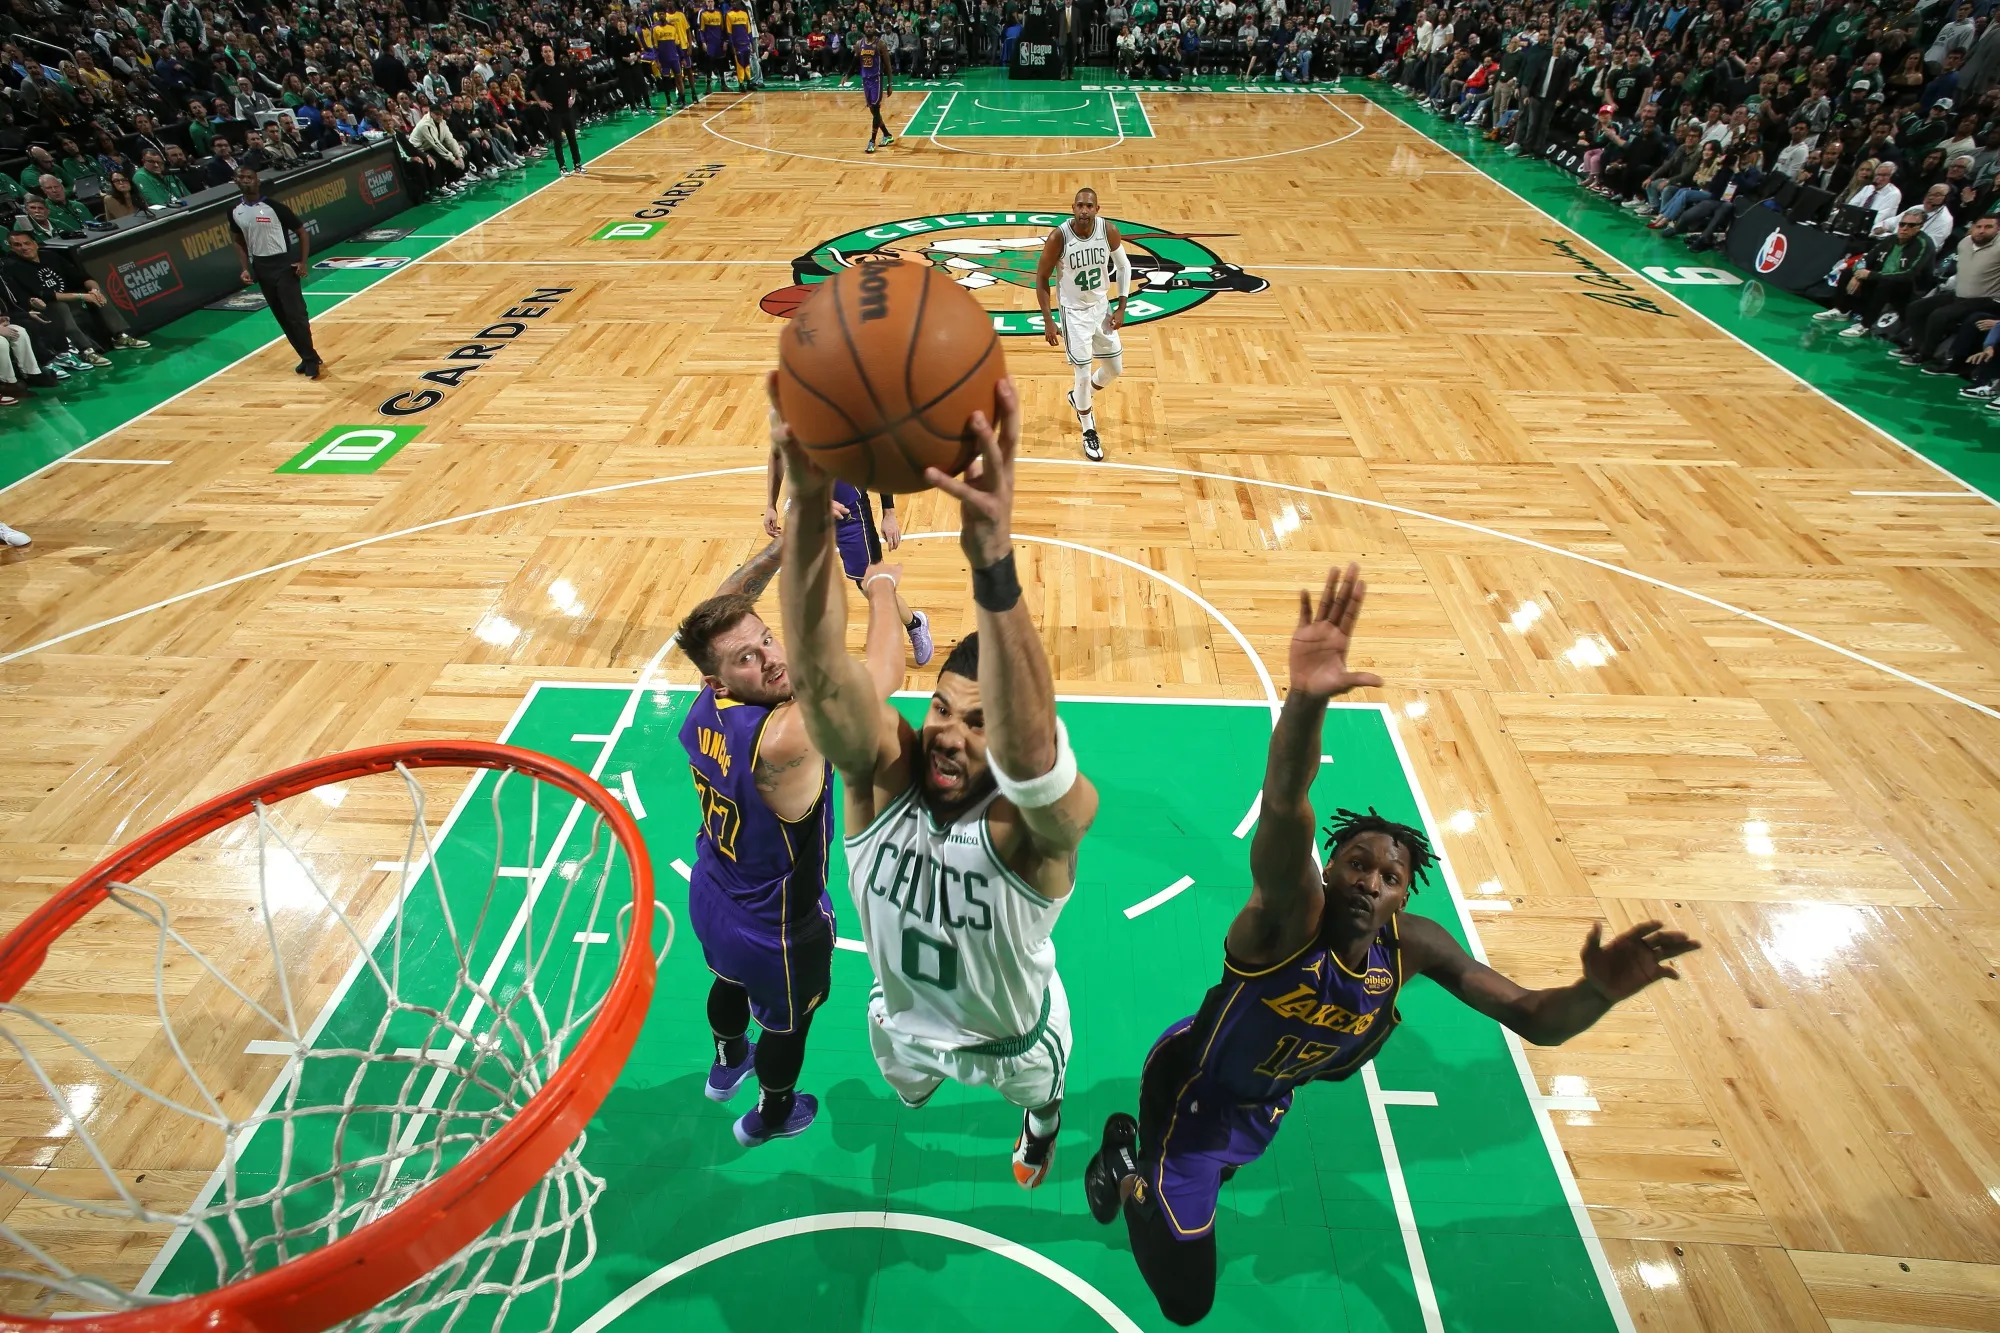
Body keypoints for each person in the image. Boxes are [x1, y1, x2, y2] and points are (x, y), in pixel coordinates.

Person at [1082, 563, 1701, 1328]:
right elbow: (1284, 802)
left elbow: (1535, 1016)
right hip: (1192, 1093)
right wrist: (1306, 702)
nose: (1372, 879)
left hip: (1261, 1103)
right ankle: (1127, 1162)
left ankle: (1172, 1177)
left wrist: (1597, 993)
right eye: (1357, 863)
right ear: (1330, 870)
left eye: (1391, 873)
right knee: (1186, 1301)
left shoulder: (1412, 948)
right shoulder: (1285, 917)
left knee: (1224, 1180)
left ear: (1405, 893)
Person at [776, 371, 1099, 1191]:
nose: (951, 733)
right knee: (908, 1093)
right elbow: (821, 681)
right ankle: (920, 1087)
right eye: (944, 708)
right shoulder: (885, 776)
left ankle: (1039, 1124)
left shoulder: (1035, 836)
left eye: (980, 719)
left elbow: (1037, 767)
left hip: (1017, 1041)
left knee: (1043, 1099)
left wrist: (994, 564)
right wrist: (810, 516)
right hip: (903, 1026)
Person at [671, 529, 904, 1147]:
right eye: (747, 659)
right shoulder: (786, 736)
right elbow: (884, 672)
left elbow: (720, 615)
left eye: (766, 639)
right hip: (777, 928)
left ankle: (725, 1063)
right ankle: (770, 1116)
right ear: (722, 678)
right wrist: (881, 586)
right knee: (788, 1027)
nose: (770, 657)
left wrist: (779, 550)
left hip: (714, 890)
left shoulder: (709, 699)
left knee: (725, 982)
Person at [764, 445, 933, 666]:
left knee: (871, 586)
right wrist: (771, 505)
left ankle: (914, 624)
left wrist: (889, 513)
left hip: (850, 514)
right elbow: (778, 455)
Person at [1035, 187, 1129, 464]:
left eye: (1089, 206)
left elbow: (1123, 267)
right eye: (1079, 205)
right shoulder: (1059, 237)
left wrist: (1122, 306)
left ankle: (1080, 399)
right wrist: (1049, 320)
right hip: (1074, 314)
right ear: (1072, 208)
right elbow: (1041, 278)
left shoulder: (1108, 231)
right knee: (1083, 373)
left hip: (1101, 308)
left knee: (1114, 368)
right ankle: (1089, 429)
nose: (1084, 210)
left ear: (1097, 209)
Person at [227, 166, 321, 379]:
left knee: (296, 314)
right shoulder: (234, 210)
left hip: (283, 265)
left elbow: (301, 232)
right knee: (282, 316)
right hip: (261, 266)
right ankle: (308, 356)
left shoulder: (275, 207)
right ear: (236, 181)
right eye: (241, 177)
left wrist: (303, 262)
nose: (246, 180)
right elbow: (238, 241)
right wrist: (245, 267)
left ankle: (310, 358)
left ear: (257, 181)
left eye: (250, 176)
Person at [4, 229, 148, 362]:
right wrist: (82, 296)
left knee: (97, 292)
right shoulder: (15, 266)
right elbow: (46, 295)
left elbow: (82, 277)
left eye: (27, 243)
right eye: (17, 245)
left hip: (71, 297)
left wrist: (94, 291)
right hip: (45, 306)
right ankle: (86, 350)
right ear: (11, 248)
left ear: (35, 244)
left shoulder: (50, 256)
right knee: (60, 307)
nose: (23, 247)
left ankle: (119, 336)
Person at [1814, 208, 1937, 337]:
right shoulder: (1891, 239)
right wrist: (1858, 273)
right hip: (1881, 276)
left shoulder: (1924, 244)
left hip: (1909, 286)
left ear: (1920, 227)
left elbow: (1909, 274)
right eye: (1902, 224)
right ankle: (1841, 310)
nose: (1904, 228)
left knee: (1886, 283)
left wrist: (1871, 275)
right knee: (1848, 273)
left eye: (1911, 225)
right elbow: (1865, 259)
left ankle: (1865, 325)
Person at [530, 44, 584, 175]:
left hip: (566, 109)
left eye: (549, 51)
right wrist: (540, 102)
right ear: (542, 54)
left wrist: (572, 97)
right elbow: (530, 88)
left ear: (553, 53)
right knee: (558, 140)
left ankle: (577, 164)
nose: (548, 54)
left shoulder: (563, 68)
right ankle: (562, 167)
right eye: (545, 52)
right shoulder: (540, 71)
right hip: (553, 111)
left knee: (572, 137)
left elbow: (573, 85)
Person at [858, 22, 894, 152]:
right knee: (874, 112)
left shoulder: (880, 44)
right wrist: (847, 75)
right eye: (866, 27)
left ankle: (872, 141)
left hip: (876, 80)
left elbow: (888, 65)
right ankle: (887, 134)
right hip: (865, 80)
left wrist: (890, 84)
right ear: (864, 28)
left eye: (870, 27)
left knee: (876, 109)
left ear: (874, 29)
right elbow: (855, 62)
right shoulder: (859, 44)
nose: (868, 29)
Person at [698, 0, 728, 94]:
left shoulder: (719, 12)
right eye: (708, 1)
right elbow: (701, 30)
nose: (710, 3)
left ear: (714, 3)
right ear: (706, 3)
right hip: (710, 43)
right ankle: (708, 86)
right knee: (709, 64)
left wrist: (725, 41)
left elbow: (723, 29)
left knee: (721, 63)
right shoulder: (703, 13)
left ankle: (723, 84)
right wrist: (703, 42)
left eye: (711, 1)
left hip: (719, 42)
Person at [726, 0, 756, 88]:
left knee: (747, 64)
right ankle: (741, 83)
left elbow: (749, 30)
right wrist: (732, 45)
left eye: (735, 1)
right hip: (737, 45)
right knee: (739, 64)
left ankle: (749, 82)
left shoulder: (744, 14)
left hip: (746, 43)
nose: (733, 3)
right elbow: (729, 32)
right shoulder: (728, 15)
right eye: (731, 2)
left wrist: (751, 43)